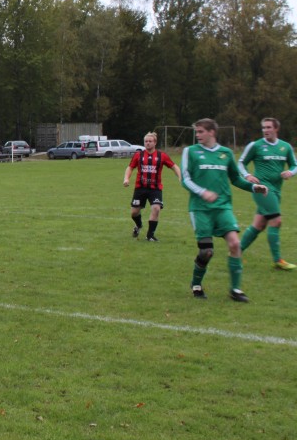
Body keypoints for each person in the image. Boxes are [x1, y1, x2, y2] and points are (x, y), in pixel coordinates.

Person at [181, 118, 267, 302]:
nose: (198, 135)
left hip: (222, 207)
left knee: (235, 244)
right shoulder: (190, 152)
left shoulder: (225, 153)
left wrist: (254, 188)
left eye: (201, 132)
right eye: (196, 132)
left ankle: (235, 289)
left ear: (212, 132)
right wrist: (203, 192)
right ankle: (196, 284)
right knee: (206, 252)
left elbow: (235, 179)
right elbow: (185, 179)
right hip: (200, 209)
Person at [237, 117, 297, 270]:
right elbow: (241, 162)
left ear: (276, 129)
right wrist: (248, 176)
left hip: (277, 190)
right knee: (276, 221)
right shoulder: (255, 145)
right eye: (263, 128)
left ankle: (236, 252)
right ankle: (278, 260)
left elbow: (295, 165)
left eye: (269, 127)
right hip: (262, 189)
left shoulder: (285, 147)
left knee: (259, 225)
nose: (265, 130)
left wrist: (290, 172)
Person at [123, 132, 182, 241]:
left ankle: (150, 235)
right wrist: (126, 178)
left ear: (155, 143)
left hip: (155, 188)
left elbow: (174, 166)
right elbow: (130, 167)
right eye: (146, 141)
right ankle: (139, 225)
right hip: (140, 188)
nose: (148, 143)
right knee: (134, 212)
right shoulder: (138, 155)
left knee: (156, 208)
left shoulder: (162, 156)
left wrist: (180, 176)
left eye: (150, 141)